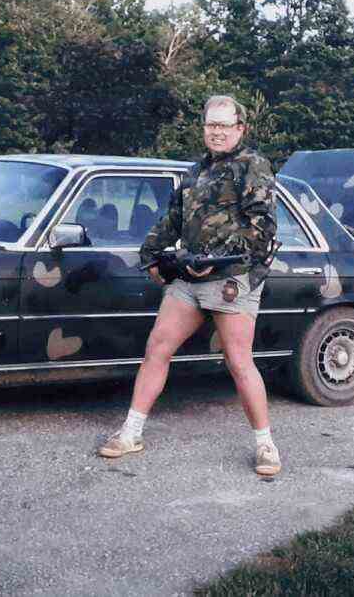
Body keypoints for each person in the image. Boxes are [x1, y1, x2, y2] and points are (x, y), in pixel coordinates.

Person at [97, 95, 281, 476]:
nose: (216, 132)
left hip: (232, 277)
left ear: (240, 129)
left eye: (224, 126)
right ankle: (131, 432)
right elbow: (173, 220)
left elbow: (262, 228)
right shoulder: (195, 172)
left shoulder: (253, 166)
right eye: (210, 125)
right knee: (157, 347)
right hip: (189, 276)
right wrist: (150, 253)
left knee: (238, 361)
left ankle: (266, 445)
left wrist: (214, 259)